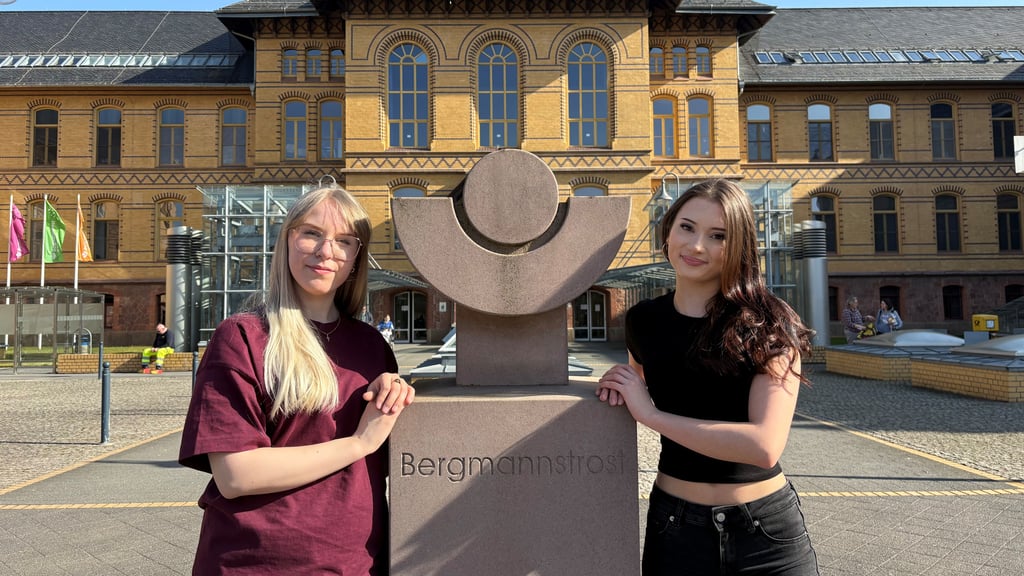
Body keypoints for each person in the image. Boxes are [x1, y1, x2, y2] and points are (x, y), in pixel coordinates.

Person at [178, 185, 415, 575]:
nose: (326, 251)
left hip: (357, 563)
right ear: (288, 239)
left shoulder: (372, 347)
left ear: (356, 258)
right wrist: (360, 442)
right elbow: (236, 474)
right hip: (257, 563)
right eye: (311, 233)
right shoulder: (244, 337)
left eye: (344, 241)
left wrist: (396, 399)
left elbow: (384, 466)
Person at [597, 179, 820, 576]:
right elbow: (640, 387)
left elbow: (763, 445)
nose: (696, 246)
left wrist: (652, 416)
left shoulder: (770, 323)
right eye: (687, 227)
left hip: (764, 534)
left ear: (738, 247)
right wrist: (617, 386)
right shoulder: (642, 321)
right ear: (668, 232)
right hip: (675, 528)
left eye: (718, 236)